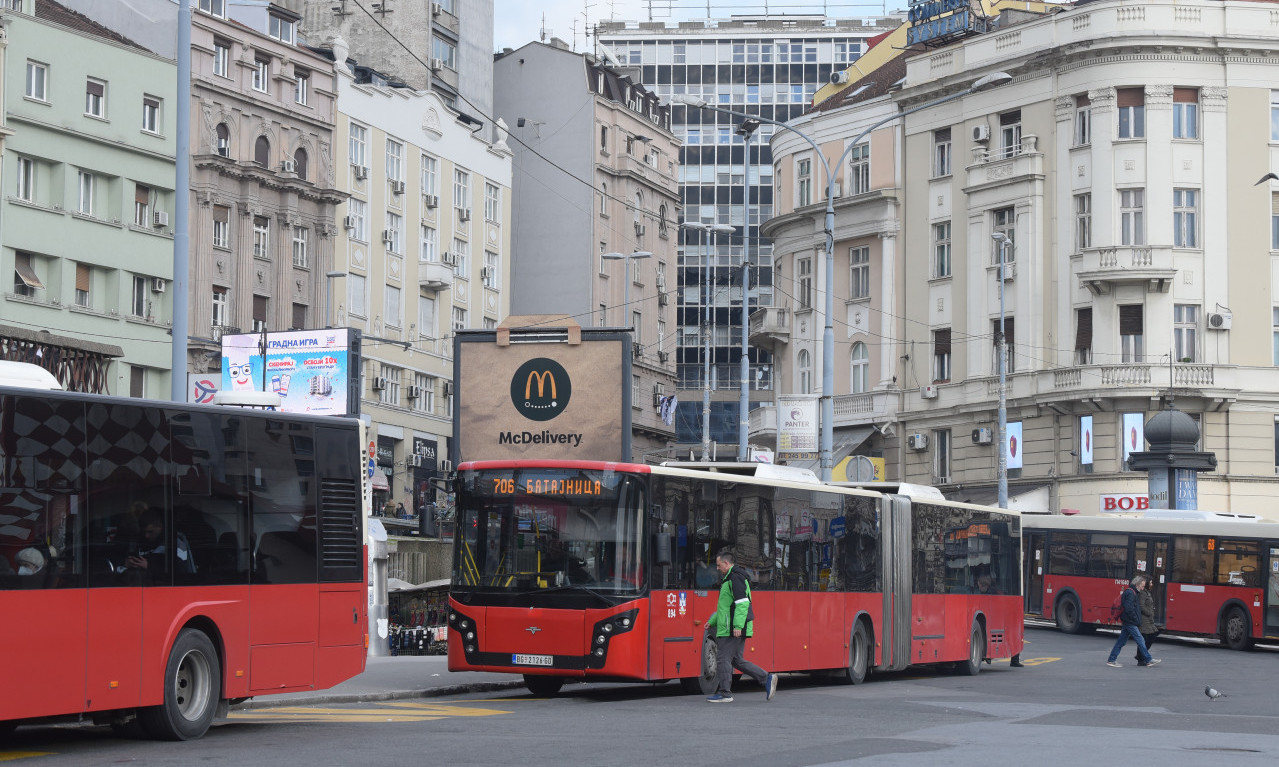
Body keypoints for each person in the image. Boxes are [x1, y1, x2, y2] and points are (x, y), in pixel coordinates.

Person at [703, 551, 778, 703]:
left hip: (733, 627)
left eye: (718, 565)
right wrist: (713, 620)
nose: (717, 568)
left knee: (723, 657)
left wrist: (738, 625)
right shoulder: (730, 578)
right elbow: (726, 607)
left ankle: (725, 693)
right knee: (736, 660)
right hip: (733, 625)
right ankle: (766, 678)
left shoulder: (735, 578)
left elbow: (742, 604)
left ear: (726, 563)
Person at [1107, 574, 1161, 668]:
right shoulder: (1131, 593)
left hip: (1128, 621)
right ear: (1137, 584)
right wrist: (1135, 619)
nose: (1143, 588)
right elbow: (1129, 609)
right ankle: (1148, 659)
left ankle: (1111, 659)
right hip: (1130, 622)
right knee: (1140, 640)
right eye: (1142, 586)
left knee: (1121, 641)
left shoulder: (1132, 592)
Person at [976, 574, 1022, 668]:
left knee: (1012, 635)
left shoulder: (989, 592)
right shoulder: (992, 591)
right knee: (1013, 635)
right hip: (997, 616)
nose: (978, 585)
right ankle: (1015, 660)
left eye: (979, 584)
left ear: (982, 584)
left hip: (1000, 617)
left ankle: (1015, 659)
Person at [1135, 574, 1158, 662]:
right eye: (1151, 583)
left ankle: (1140, 656)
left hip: (1149, 619)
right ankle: (1141, 658)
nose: (1152, 584)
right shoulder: (1143, 593)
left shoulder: (1147, 592)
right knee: (1145, 638)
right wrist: (1149, 613)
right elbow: (1141, 606)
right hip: (1144, 619)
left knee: (1150, 636)